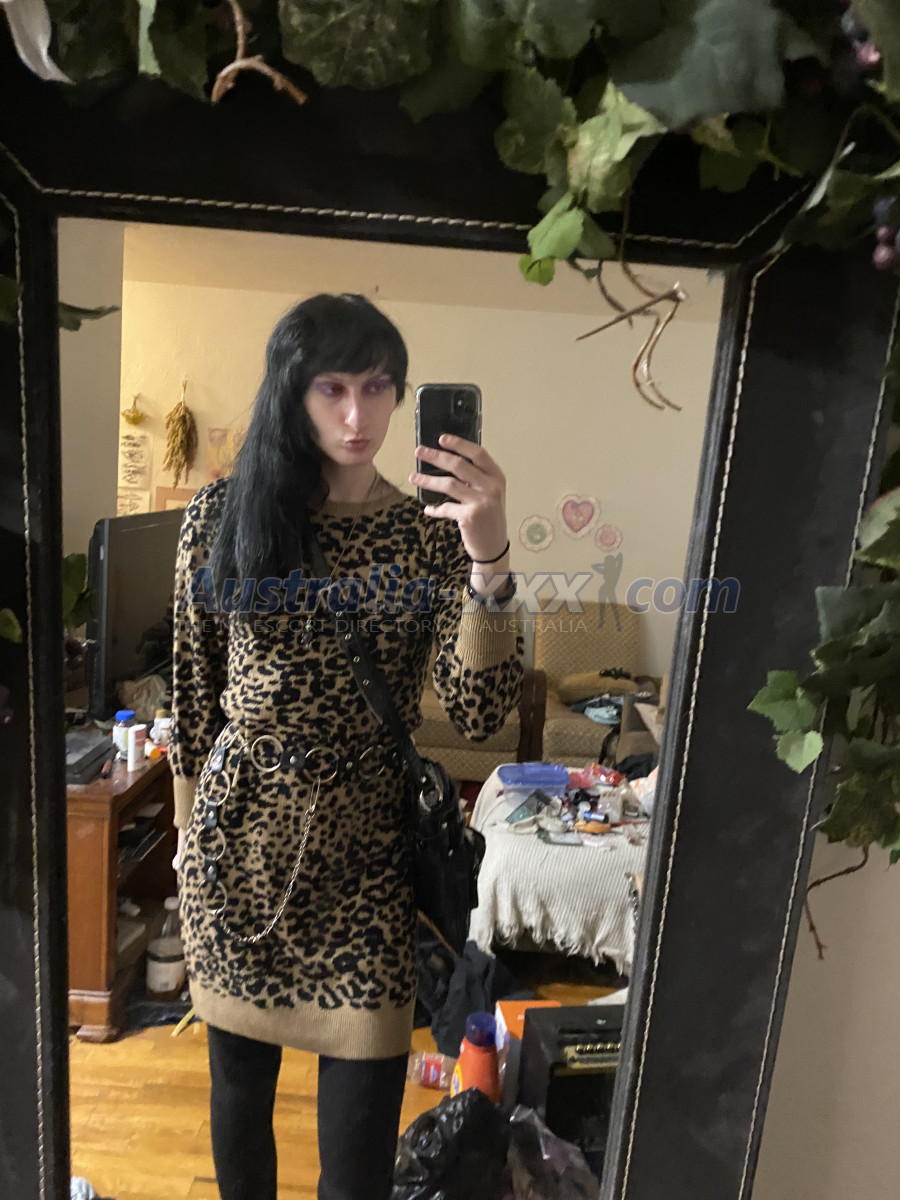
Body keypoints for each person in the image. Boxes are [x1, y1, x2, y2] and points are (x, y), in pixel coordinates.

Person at [169, 293, 523, 1200]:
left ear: (403, 394)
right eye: (332, 388)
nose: (358, 415)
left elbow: (479, 712)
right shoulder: (220, 517)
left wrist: (488, 562)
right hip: (238, 856)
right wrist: (182, 843)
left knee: (358, 1159)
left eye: (377, 387)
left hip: (368, 867)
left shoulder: (425, 536)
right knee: (238, 1116)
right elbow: (195, 702)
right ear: (292, 393)